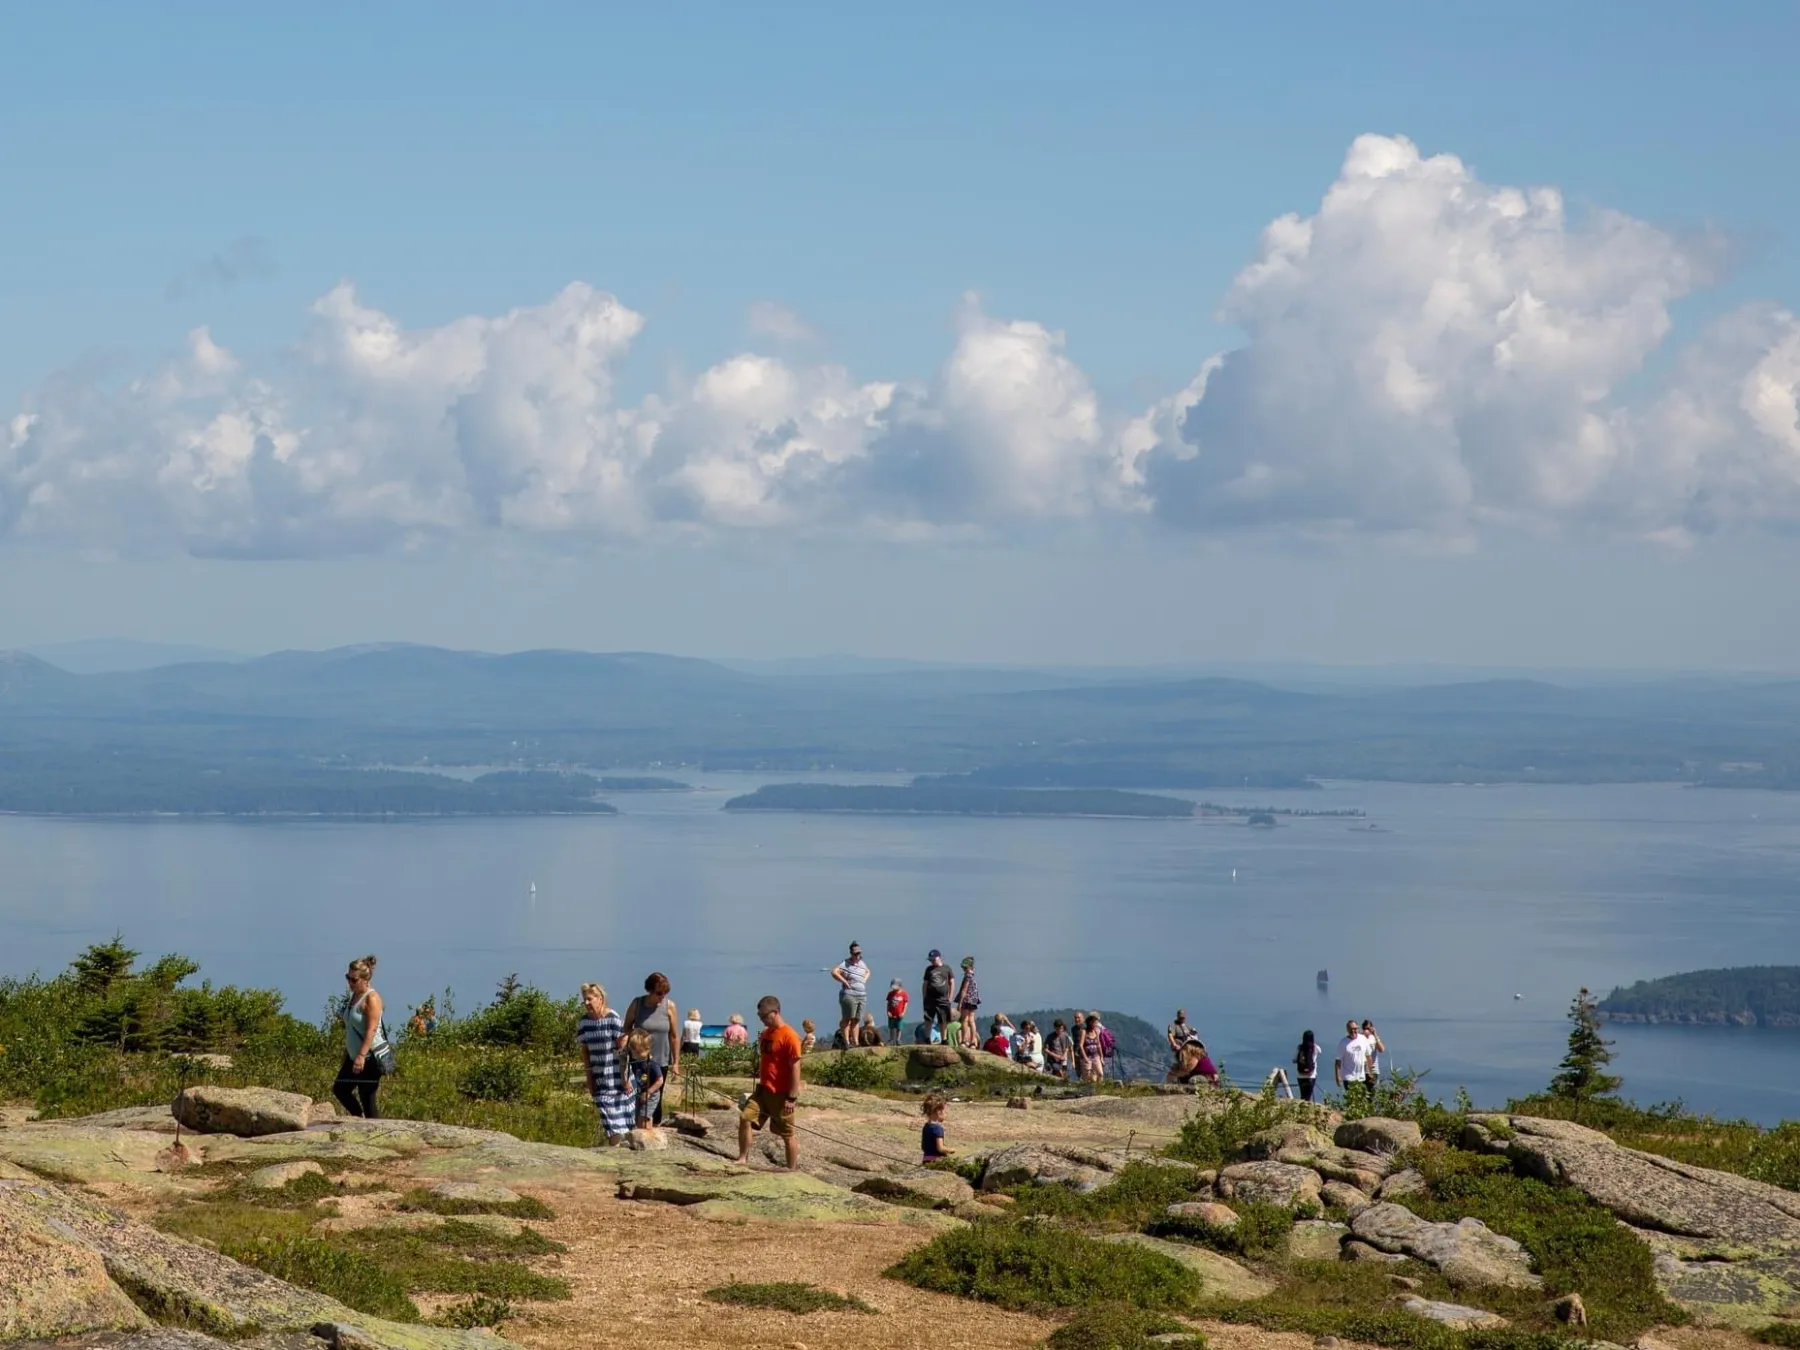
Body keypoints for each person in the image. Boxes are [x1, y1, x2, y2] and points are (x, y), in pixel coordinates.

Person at [735, 995, 802, 1171]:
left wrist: (791, 1097)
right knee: (744, 1118)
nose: (761, 1019)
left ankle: (792, 1170)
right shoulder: (766, 1034)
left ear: (775, 1012)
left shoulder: (790, 1036)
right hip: (763, 1090)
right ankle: (743, 1158)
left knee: (787, 1134)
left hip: (782, 1093)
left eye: (764, 1016)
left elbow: (795, 1067)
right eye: (760, 1016)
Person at [577, 983, 636, 1144]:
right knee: (611, 1124)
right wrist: (589, 1079)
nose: (586, 1003)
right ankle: (616, 1154)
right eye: (584, 1000)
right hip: (600, 1081)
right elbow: (586, 1052)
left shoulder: (613, 1019)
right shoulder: (584, 1023)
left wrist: (625, 1079)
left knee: (628, 1123)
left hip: (619, 1081)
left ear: (600, 999)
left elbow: (623, 1050)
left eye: (589, 999)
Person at [334, 955, 389, 1118]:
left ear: (365, 979)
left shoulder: (372, 998)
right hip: (354, 1056)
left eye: (354, 979)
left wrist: (361, 1056)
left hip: (369, 1057)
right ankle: (358, 1120)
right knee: (340, 1089)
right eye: (348, 978)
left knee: (367, 1098)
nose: (350, 983)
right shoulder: (355, 994)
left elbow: (371, 1030)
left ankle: (376, 1135)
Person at [622, 972, 680, 1126]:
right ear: (650, 990)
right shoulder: (637, 1004)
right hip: (639, 1059)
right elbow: (626, 1028)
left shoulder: (670, 1006)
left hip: (660, 1059)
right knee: (639, 1095)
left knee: (655, 1096)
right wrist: (627, 1046)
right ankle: (637, 1126)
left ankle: (654, 1127)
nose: (662, 996)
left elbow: (674, 1036)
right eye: (658, 993)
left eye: (665, 993)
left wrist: (676, 1063)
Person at [830, 941, 871, 1055]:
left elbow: (868, 971)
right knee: (848, 1018)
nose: (857, 956)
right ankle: (847, 1042)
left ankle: (856, 1042)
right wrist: (844, 981)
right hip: (849, 994)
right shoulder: (845, 963)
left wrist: (864, 980)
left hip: (861, 995)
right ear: (851, 953)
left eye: (858, 954)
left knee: (857, 1019)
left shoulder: (862, 964)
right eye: (855, 954)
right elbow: (834, 972)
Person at [626, 1028, 665, 1131]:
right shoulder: (635, 1062)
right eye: (633, 1050)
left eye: (637, 1051)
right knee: (638, 1117)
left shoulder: (652, 1064)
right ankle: (642, 1136)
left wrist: (649, 1092)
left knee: (644, 1117)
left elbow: (660, 1080)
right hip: (640, 1093)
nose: (634, 1053)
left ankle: (647, 1136)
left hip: (651, 1094)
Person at [1334, 1019, 1370, 1106]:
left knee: (1361, 1100)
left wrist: (1370, 1072)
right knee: (1352, 1101)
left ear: (1358, 1028)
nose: (1353, 1031)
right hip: (1349, 1077)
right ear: (1347, 1030)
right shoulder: (1343, 1043)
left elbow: (1368, 1056)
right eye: (1351, 1029)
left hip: (1361, 1076)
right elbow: (1338, 1061)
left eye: (1355, 1028)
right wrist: (1338, 1077)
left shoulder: (1363, 1039)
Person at [921, 950, 954, 1039]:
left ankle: (944, 1039)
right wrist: (924, 997)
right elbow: (925, 984)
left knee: (943, 1020)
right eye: (930, 960)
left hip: (943, 999)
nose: (932, 961)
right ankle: (927, 1038)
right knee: (928, 1019)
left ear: (939, 958)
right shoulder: (929, 969)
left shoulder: (947, 968)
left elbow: (952, 982)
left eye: (933, 959)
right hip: (930, 999)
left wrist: (950, 997)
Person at [954, 957, 981, 1049]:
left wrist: (960, 1003)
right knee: (972, 1021)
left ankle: (964, 1040)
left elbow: (964, 990)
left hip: (966, 1000)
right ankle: (973, 1041)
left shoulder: (967, 977)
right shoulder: (972, 976)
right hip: (973, 1001)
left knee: (964, 1020)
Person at [920, 1092, 952, 1164]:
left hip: (926, 1160)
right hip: (936, 1161)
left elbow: (923, 1147)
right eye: (944, 1112)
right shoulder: (937, 1129)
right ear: (938, 1112)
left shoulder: (926, 1126)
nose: (945, 1114)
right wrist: (950, 1150)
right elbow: (940, 1148)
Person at [1294, 1029, 1322, 1102]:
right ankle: (1306, 1110)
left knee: (1303, 1095)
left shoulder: (1299, 1047)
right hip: (1311, 1075)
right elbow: (1320, 1052)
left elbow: (1294, 1060)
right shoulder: (1316, 1048)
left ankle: (1302, 1110)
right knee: (1308, 1096)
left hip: (1300, 1075)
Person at [1078, 1014, 1106, 1083]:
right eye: (1095, 1023)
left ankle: (1099, 1088)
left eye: (1096, 1023)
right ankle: (1089, 1090)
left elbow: (1098, 1044)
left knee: (1100, 1073)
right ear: (1090, 1023)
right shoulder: (1084, 1031)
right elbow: (1081, 1045)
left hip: (1095, 1056)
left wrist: (1101, 1057)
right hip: (1086, 1057)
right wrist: (1085, 1058)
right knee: (1088, 1076)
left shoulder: (1096, 1031)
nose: (1096, 1025)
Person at [1361, 1019, 1387, 1090]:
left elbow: (1381, 1049)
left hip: (1374, 1071)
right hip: (1362, 1072)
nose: (1367, 1030)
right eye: (1365, 1028)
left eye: (1369, 1028)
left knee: (1373, 1093)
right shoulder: (1360, 1038)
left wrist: (1375, 1034)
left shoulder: (1374, 1038)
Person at [885, 979, 909, 1043]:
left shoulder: (904, 994)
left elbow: (906, 1004)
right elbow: (888, 1003)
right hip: (891, 1014)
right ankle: (891, 1039)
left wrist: (903, 1012)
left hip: (899, 1014)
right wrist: (888, 1011)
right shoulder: (890, 994)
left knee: (899, 1027)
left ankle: (898, 1039)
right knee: (891, 1027)